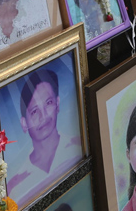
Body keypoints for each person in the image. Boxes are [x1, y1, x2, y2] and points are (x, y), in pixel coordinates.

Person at [5, 69, 83, 204]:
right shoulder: (14, 189)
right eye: (34, 111)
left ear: (57, 104)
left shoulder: (81, 147)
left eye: (48, 103)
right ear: (24, 124)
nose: (43, 116)